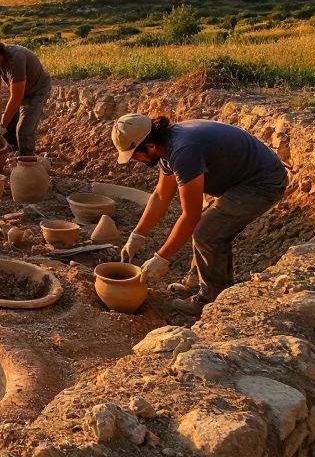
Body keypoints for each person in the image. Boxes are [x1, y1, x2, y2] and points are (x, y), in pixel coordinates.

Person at [111, 113, 289, 316]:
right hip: (240, 178)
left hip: (263, 182)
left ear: (149, 145)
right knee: (206, 227)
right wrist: (137, 235)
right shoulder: (166, 144)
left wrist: (161, 258)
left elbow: (190, 216)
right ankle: (197, 280)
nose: (135, 160)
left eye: (134, 154)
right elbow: (161, 196)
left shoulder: (185, 150)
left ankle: (210, 299)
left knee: (207, 232)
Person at [0, 37, 51, 156]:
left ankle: (27, 162)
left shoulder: (16, 59)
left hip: (37, 90)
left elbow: (17, 98)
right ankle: (13, 151)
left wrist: (2, 125)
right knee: (7, 130)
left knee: (24, 131)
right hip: (19, 90)